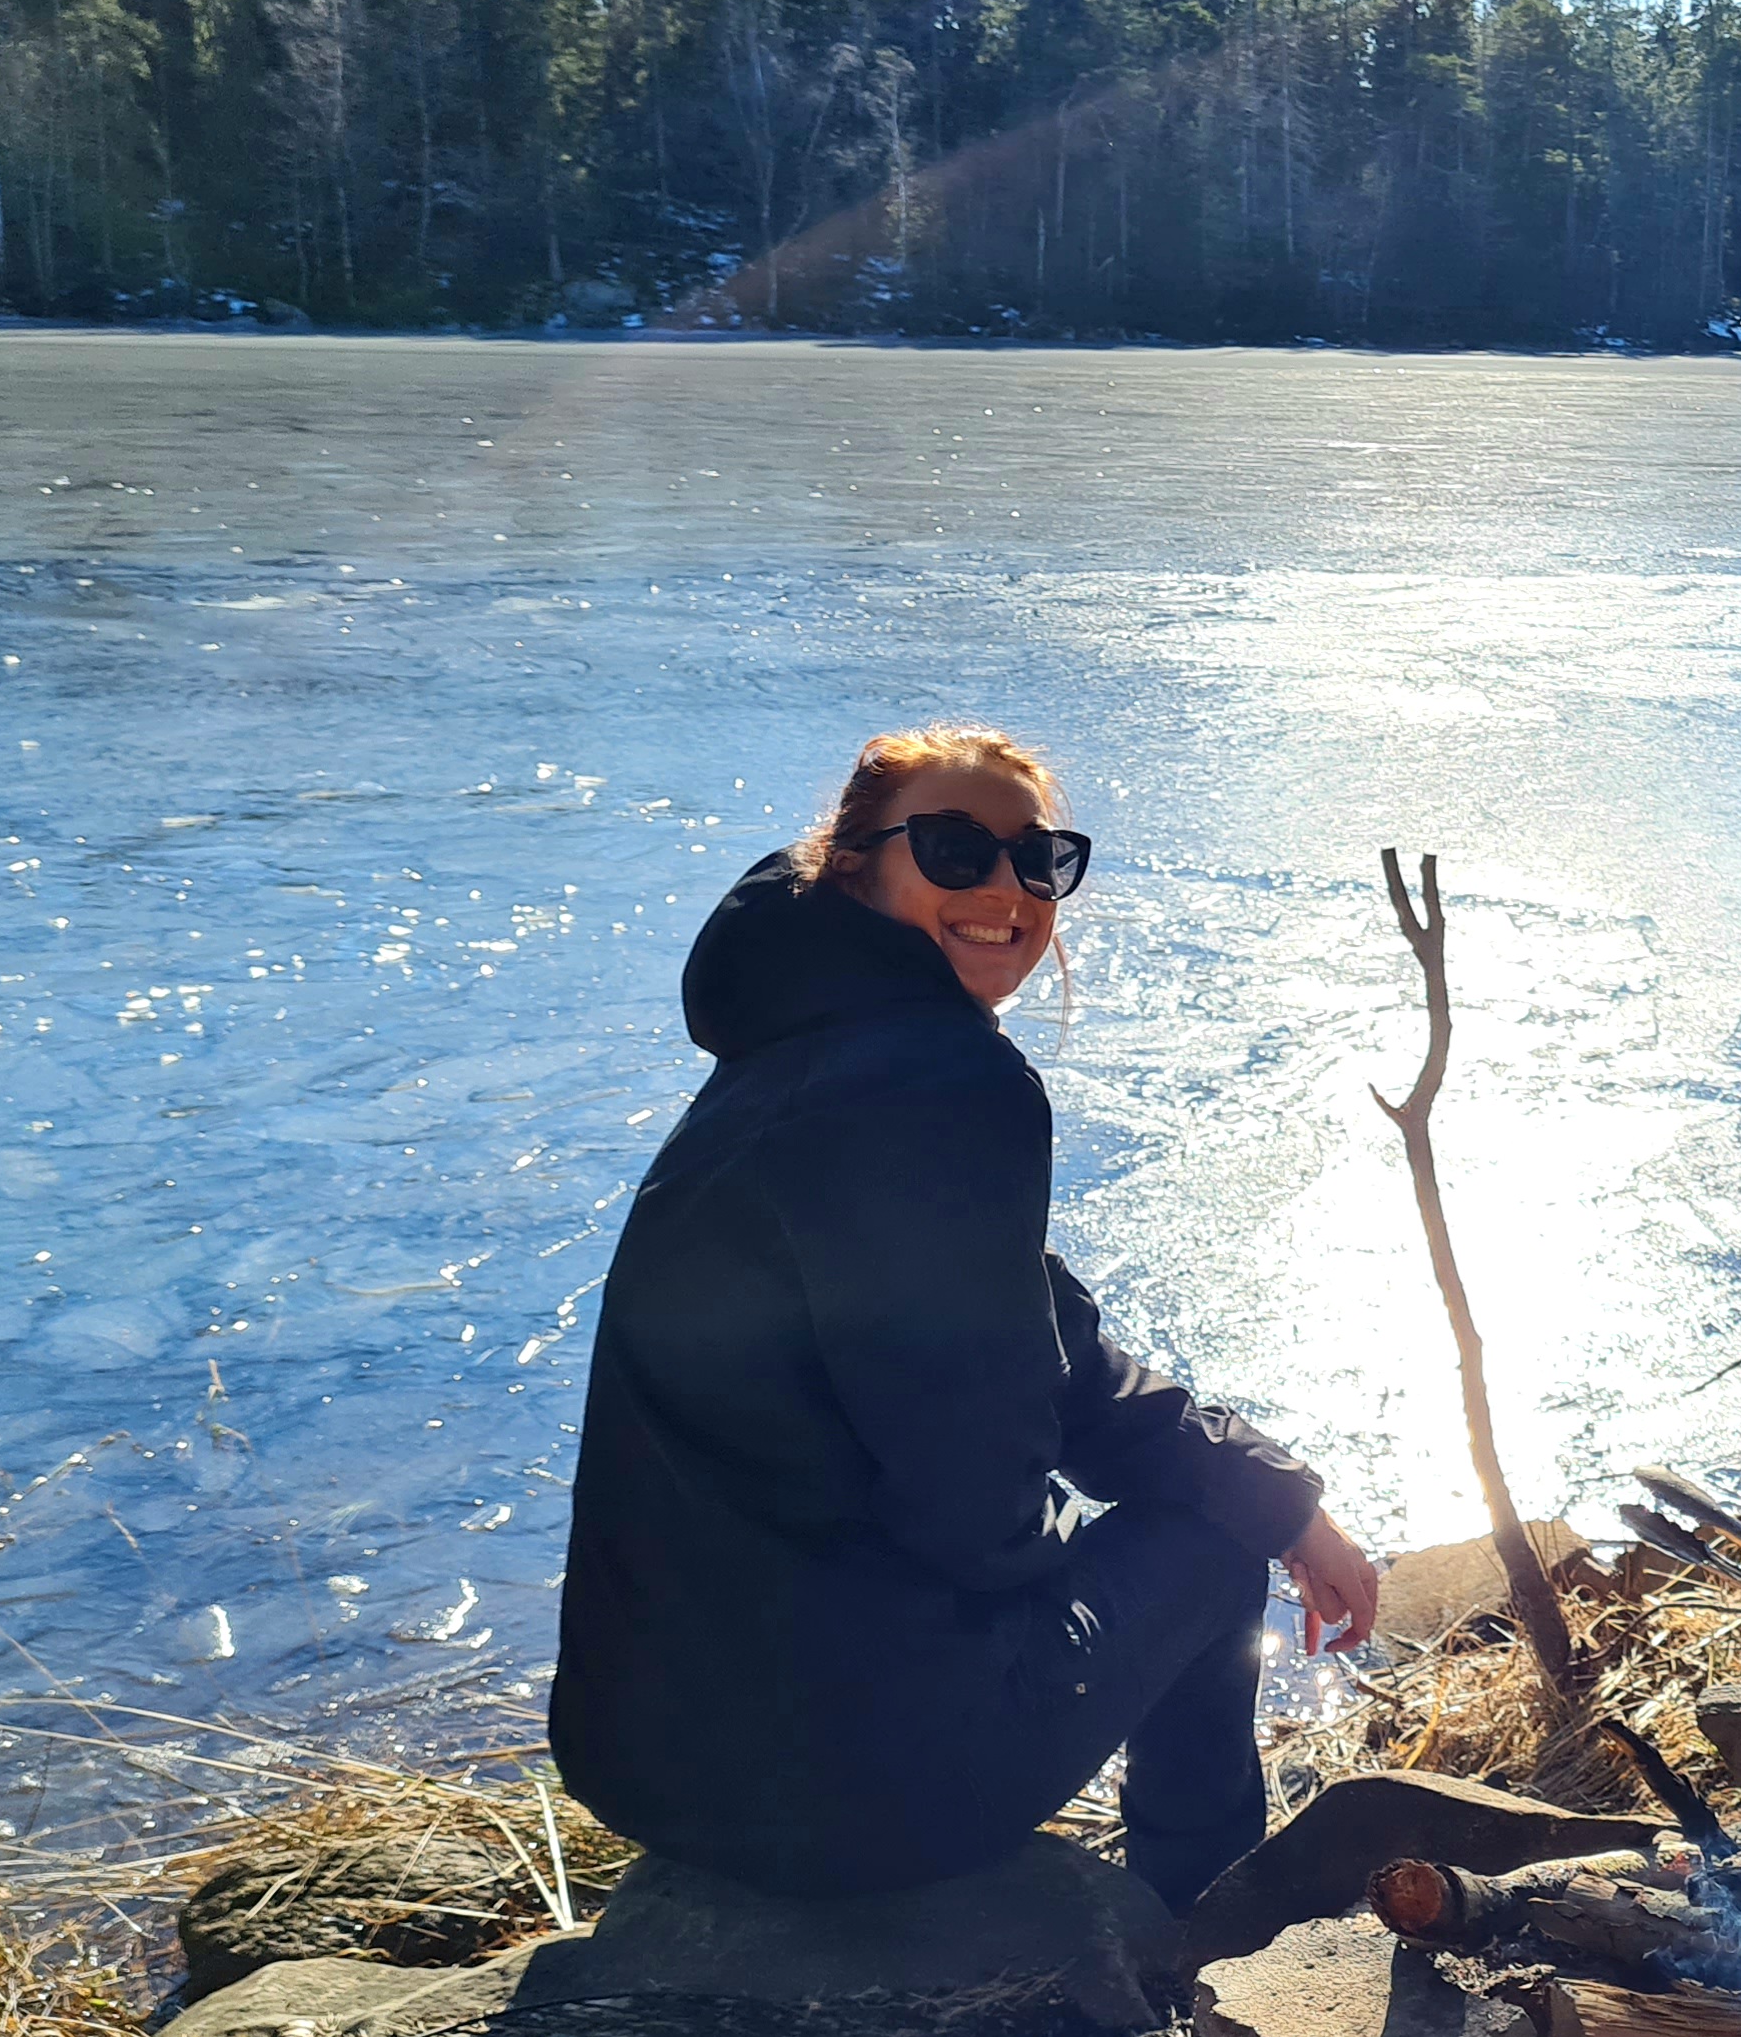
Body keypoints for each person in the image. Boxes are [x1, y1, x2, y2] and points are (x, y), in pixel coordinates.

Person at [552, 724, 1375, 1912]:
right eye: (953, 848)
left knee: (1229, 1502)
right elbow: (972, 1486)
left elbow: (1048, 1345)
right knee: (1205, 1546)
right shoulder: (941, 1080)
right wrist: (1086, 1577)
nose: (1004, 888)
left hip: (647, 1771)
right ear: (857, 866)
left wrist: (1278, 1488)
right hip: (848, 1799)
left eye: (1040, 861)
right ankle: (1208, 1921)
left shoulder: (797, 1046)